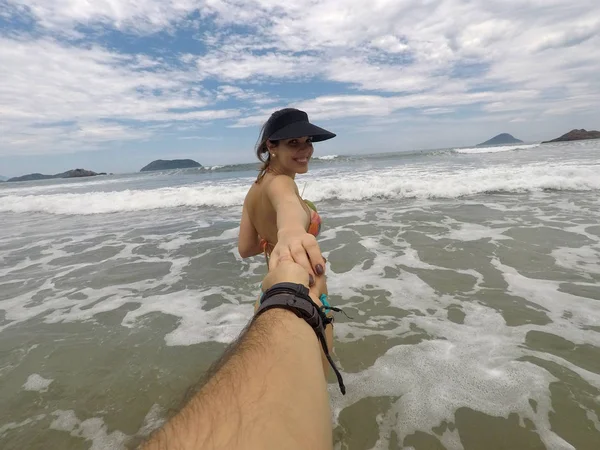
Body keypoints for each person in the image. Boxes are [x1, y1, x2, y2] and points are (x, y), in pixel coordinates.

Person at [141, 257, 337, 450]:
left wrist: (281, 284)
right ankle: (321, 419)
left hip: (278, 283)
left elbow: (245, 248)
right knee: (318, 363)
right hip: (306, 282)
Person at [237, 108, 337, 372]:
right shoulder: (281, 183)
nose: (304, 150)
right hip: (305, 292)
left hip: (272, 293)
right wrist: (290, 232)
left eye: (308, 142)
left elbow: (245, 248)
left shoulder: (256, 187)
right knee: (319, 375)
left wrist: (273, 239)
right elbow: (287, 206)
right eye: (293, 142)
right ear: (272, 146)